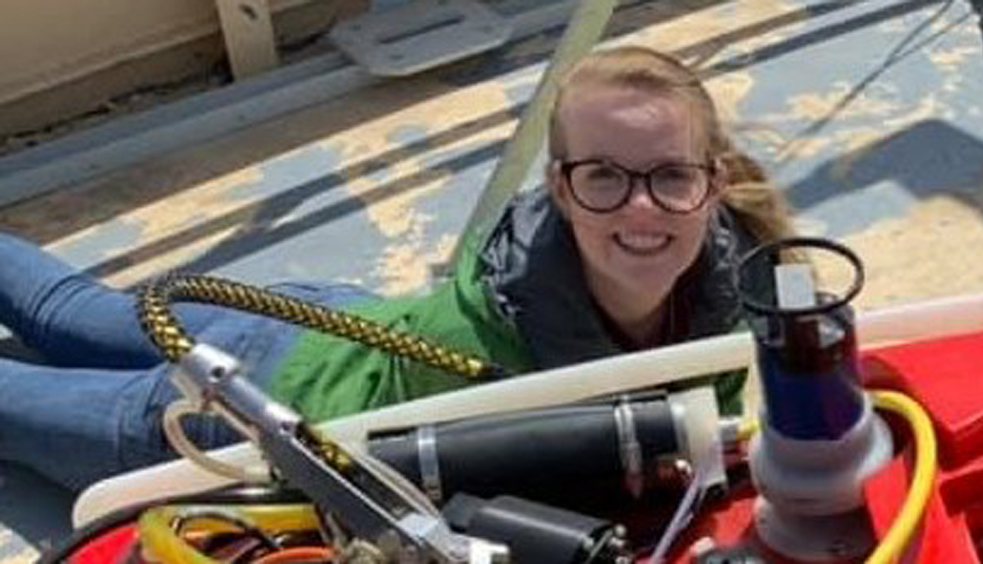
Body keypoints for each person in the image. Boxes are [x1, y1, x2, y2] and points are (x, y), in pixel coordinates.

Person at [0, 46, 794, 491]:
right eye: (605, 178)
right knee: (40, 347)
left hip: (325, 322)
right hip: (247, 410)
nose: (643, 208)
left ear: (712, 183)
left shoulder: (733, 298)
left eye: (671, 176)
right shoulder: (482, 349)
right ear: (559, 188)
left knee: (71, 308)